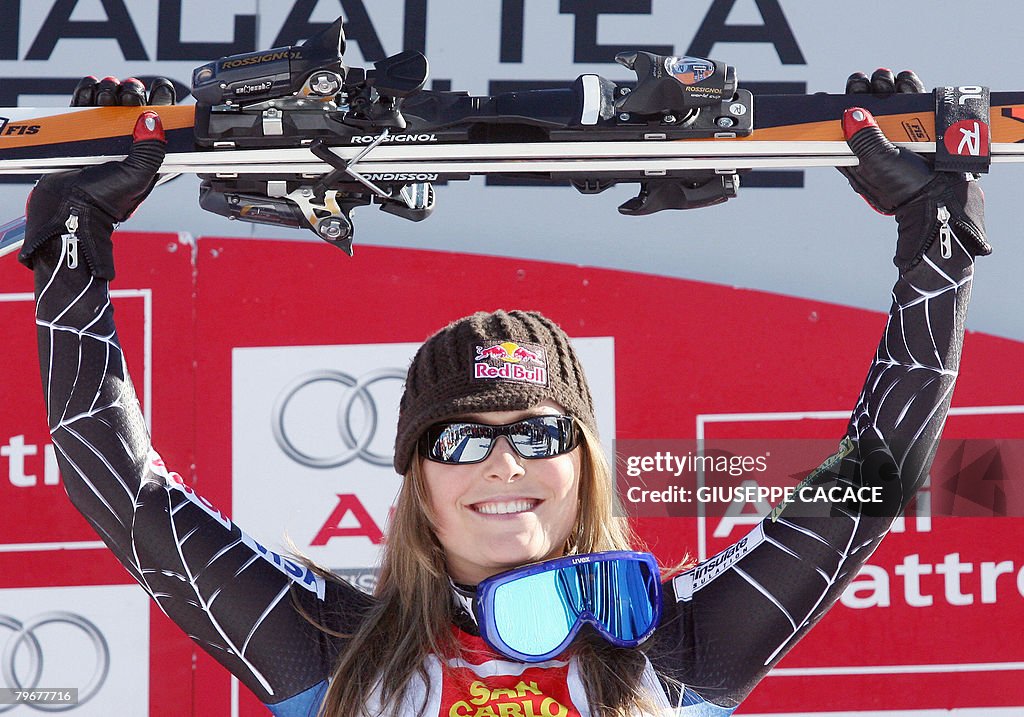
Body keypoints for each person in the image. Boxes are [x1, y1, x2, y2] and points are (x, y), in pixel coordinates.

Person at [17, 69, 989, 716]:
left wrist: (933, 235)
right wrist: (70, 240)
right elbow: (119, 489)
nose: (499, 463)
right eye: (456, 441)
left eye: (538, 432)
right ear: (415, 493)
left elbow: (871, 482)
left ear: (585, 468)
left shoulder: (671, 647)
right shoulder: (334, 654)